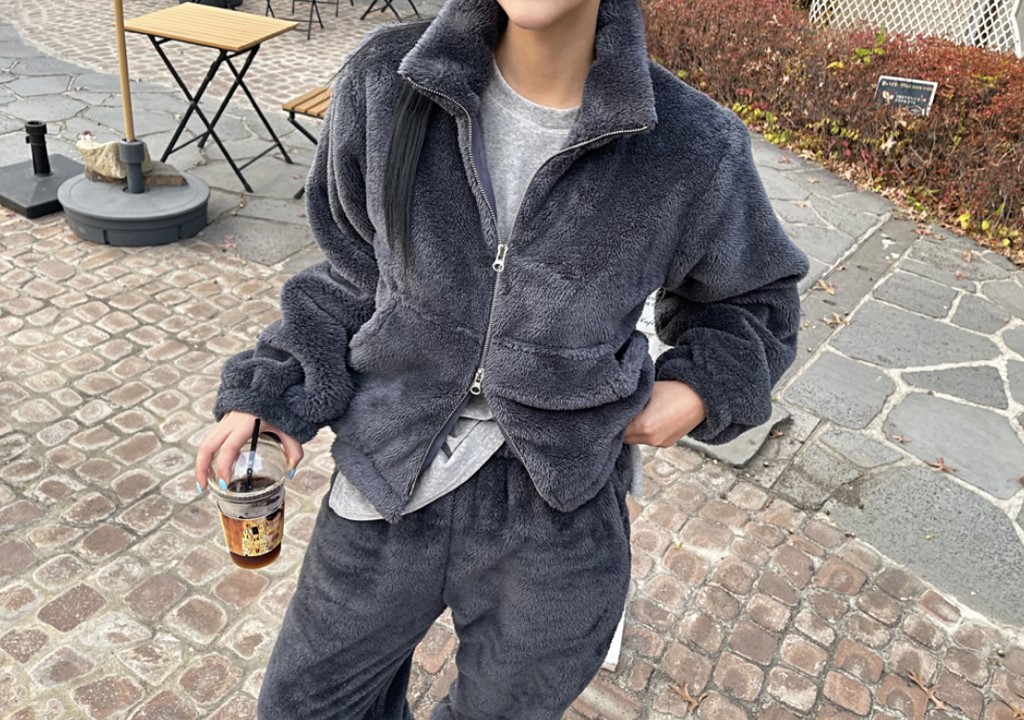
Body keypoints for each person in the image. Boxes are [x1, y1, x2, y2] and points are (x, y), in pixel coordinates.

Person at [194, 0, 809, 716]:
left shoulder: (691, 144)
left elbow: (756, 300)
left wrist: (698, 391)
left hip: (558, 511)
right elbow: (355, 273)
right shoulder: (386, 81)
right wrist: (277, 390)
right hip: (387, 472)